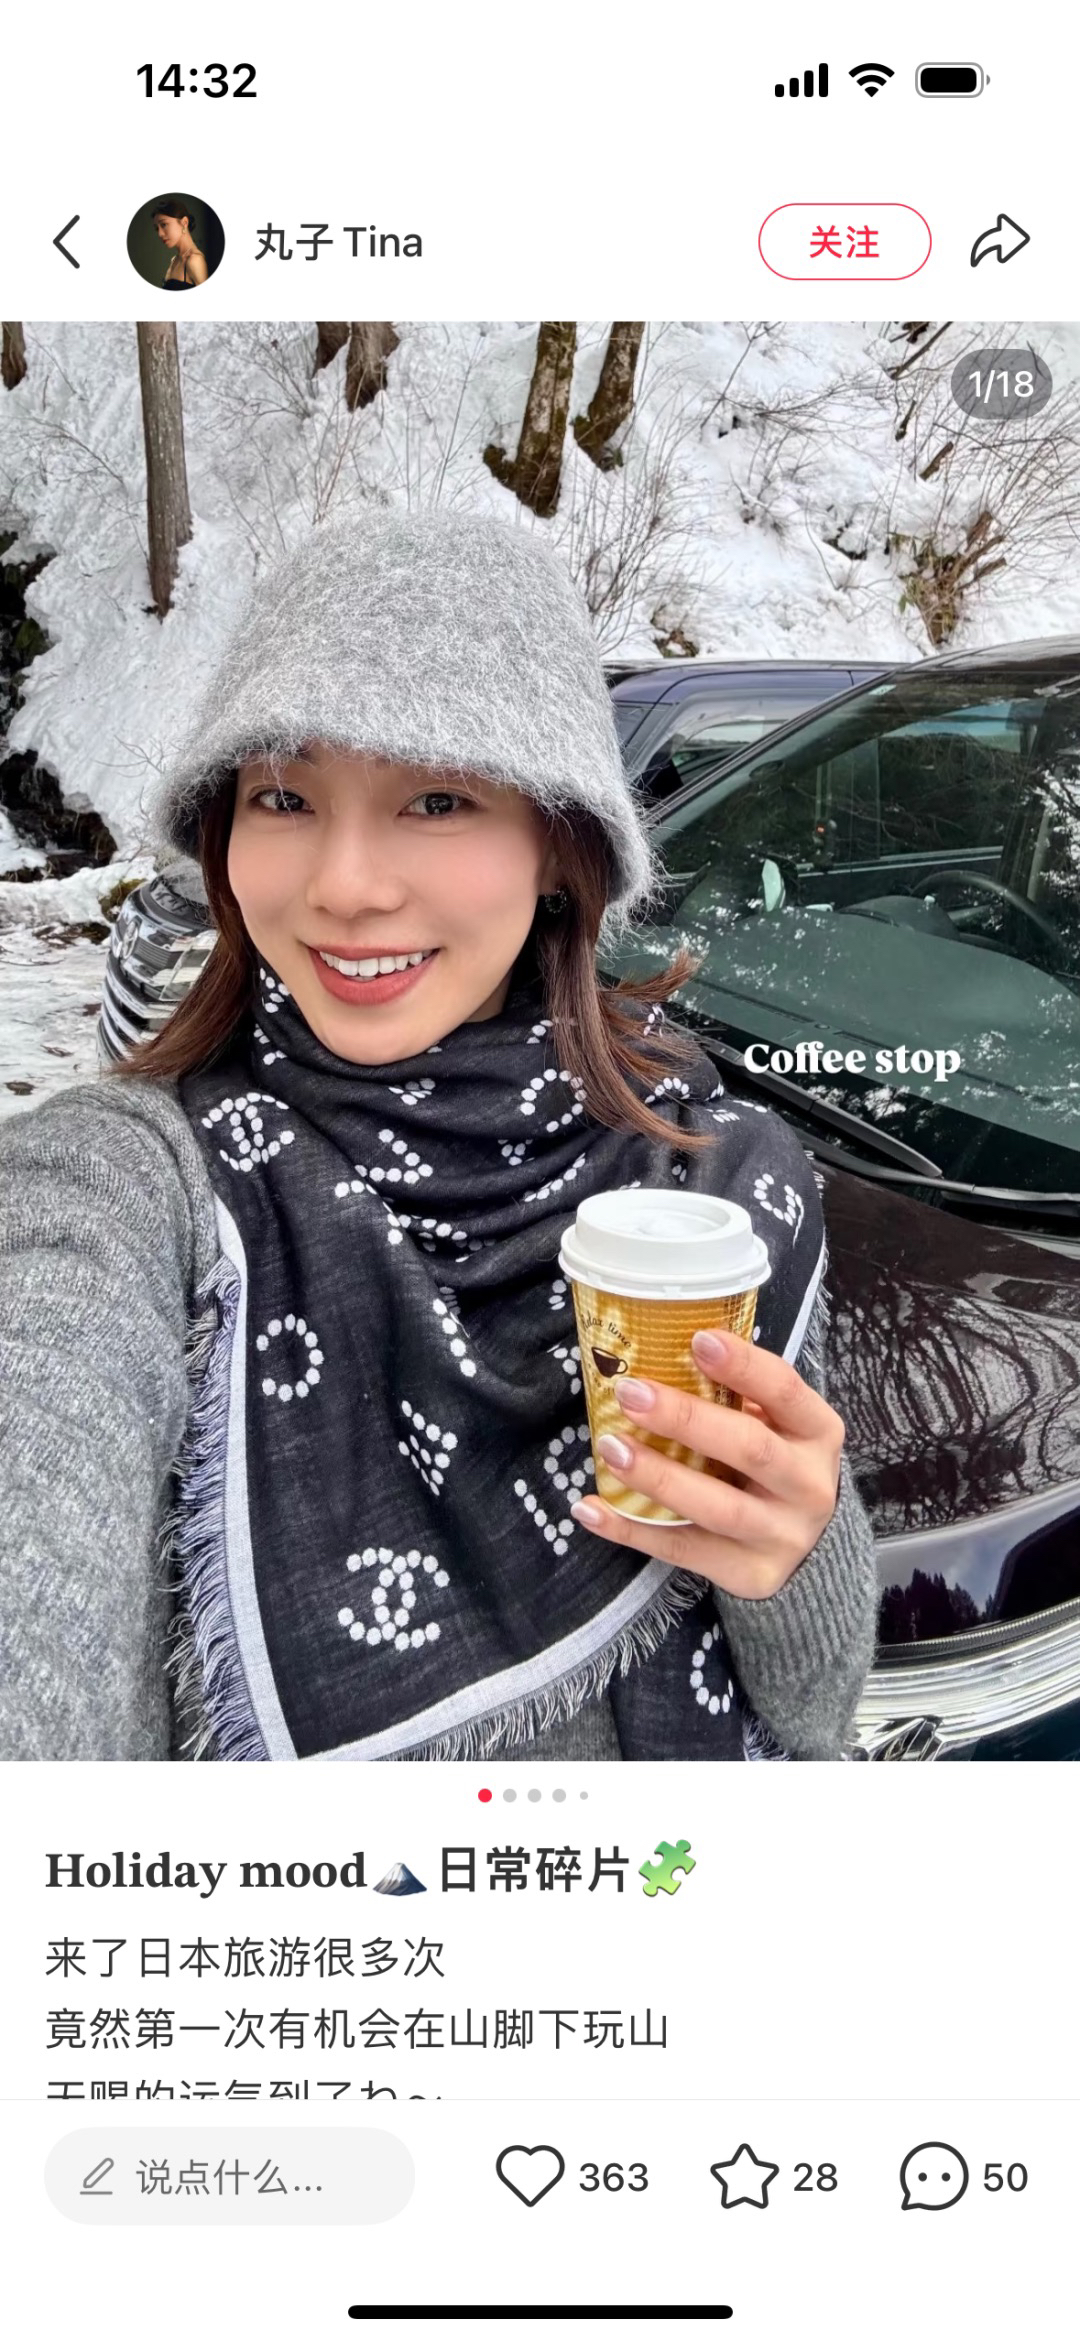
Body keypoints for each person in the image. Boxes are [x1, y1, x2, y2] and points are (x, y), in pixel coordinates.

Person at [0, 511, 880, 1762]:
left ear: (561, 846)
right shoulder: (130, 1188)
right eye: (284, 796)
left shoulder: (713, 1186)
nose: (345, 886)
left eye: (437, 797)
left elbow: (816, 1710)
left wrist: (796, 1541)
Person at [151, 196, 208, 288]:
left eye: (164, 224)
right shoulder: (174, 260)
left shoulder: (195, 260)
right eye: (157, 228)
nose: (160, 234)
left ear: (184, 222)